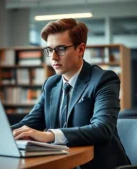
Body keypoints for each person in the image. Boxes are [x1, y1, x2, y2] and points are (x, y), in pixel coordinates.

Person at [11, 18, 130, 169]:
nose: (53, 57)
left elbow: (102, 129)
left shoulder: (103, 80)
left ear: (80, 49)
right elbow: (28, 124)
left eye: (60, 49)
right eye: (49, 50)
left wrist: (50, 135)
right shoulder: (51, 85)